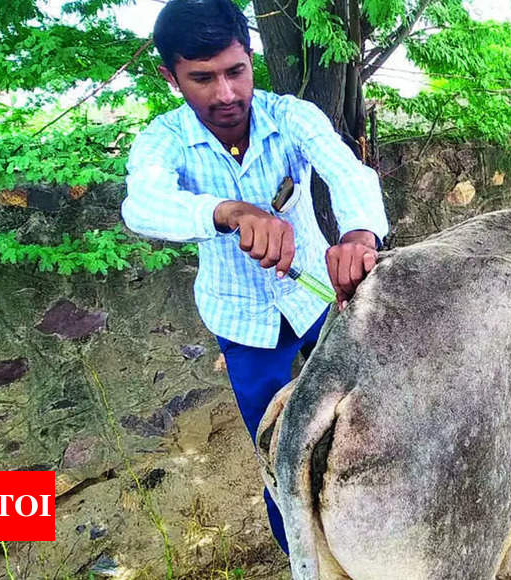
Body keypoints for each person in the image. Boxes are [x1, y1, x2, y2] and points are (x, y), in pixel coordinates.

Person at [121, 0, 389, 552]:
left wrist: (360, 235)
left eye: (235, 71)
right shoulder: (163, 139)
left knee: (360, 430)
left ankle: (367, 543)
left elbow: (347, 171)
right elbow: (142, 204)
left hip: (319, 302)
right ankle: (301, 556)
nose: (225, 93)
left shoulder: (291, 117)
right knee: (278, 451)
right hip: (241, 324)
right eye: (202, 78)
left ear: (250, 59)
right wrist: (226, 211)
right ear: (169, 76)